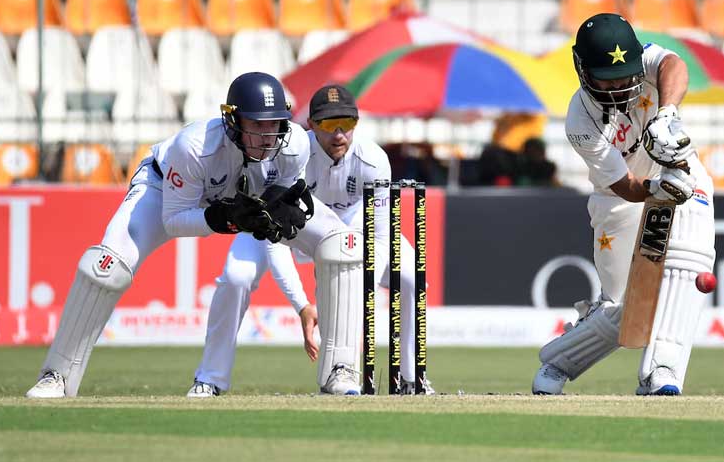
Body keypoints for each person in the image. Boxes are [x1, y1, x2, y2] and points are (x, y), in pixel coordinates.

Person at [26, 72, 313, 398]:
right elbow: (174, 220)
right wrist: (227, 219)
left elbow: (276, 217)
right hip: (163, 189)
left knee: (301, 254)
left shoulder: (295, 146)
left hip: (232, 206)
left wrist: (274, 224)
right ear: (233, 121)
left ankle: (334, 373)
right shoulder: (193, 146)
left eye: (274, 124)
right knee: (106, 266)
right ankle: (56, 375)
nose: (267, 136)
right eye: (257, 125)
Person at [188, 85, 435, 396]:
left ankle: (410, 380)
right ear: (312, 125)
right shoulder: (293, 154)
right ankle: (210, 378)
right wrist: (303, 305)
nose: (339, 134)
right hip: (285, 227)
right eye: (330, 125)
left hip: (351, 228)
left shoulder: (373, 160)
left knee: (412, 278)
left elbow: (382, 240)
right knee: (237, 278)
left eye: (348, 123)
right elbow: (274, 238)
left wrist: (355, 292)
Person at [532, 13, 715, 396]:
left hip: (677, 167)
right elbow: (626, 186)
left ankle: (661, 370)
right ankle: (559, 359)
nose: (618, 86)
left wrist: (667, 115)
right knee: (623, 311)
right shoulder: (580, 119)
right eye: (607, 77)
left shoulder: (647, 59)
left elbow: (673, 64)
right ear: (583, 71)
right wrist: (656, 186)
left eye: (625, 74)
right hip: (620, 199)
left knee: (690, 258)